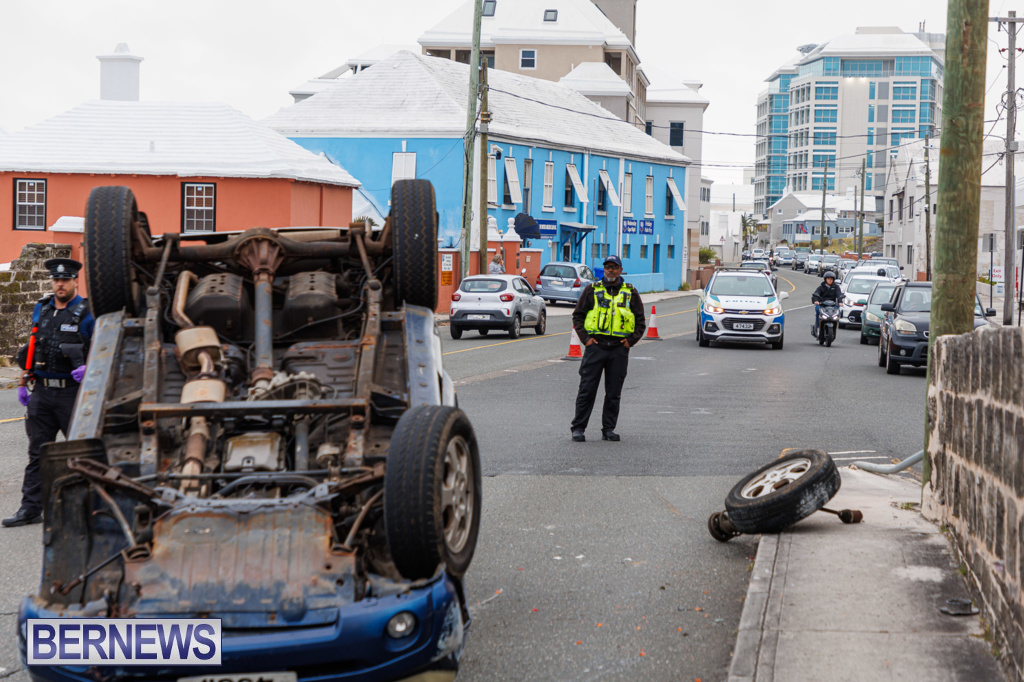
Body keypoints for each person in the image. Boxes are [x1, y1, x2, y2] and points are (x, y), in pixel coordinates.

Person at [4, 258, 94, 528]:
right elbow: (31, 346)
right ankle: (30, 509)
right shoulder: (41, 310)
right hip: (41, 394)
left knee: (81, 454)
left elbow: (103, 348)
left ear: (75, 281)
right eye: (56, 280)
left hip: (72, 394)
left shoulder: (88, 312)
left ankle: (90, 511)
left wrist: (89, 369)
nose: (60, 284)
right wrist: (22, 383)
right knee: (37, 454)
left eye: (65, 280)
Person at [570, 255, 645, 442]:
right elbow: (578, 316)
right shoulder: (592, 290)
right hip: (596, 348)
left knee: (613, 393)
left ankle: (608, 429)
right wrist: (586, 340)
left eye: (614, 267)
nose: (610, 270)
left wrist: (630, 341)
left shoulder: (630, 292)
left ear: (620, 270)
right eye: (607, 267)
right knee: (587, 390)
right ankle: (578, 428)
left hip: (619, 350)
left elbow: (640, 321)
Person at [811, 270, 843, 339]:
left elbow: (839, 295)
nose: (829, 280)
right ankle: (818, 327)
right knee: (817, 309)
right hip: (822, 305)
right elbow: (816, 294)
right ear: (825, 279)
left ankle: (835, 325)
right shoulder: (821, 287)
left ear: (833, 280)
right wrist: (816, 301)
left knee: (838, 312)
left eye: (831, 279)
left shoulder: (836, 287)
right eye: (828, 279)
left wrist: (840, 301)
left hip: (833, 305)